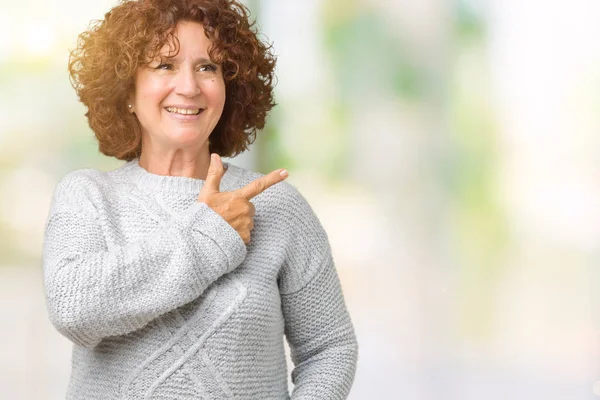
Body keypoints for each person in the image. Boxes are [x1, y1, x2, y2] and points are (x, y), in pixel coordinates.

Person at [41, 0, 358, 399]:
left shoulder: (278, 206)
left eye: (208, 67)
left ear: (230, 85)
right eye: (164, 65)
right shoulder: (88, 197)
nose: (189, 87)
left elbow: (330, 348)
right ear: (126, 89)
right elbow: (74, 310)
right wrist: (209, 234)